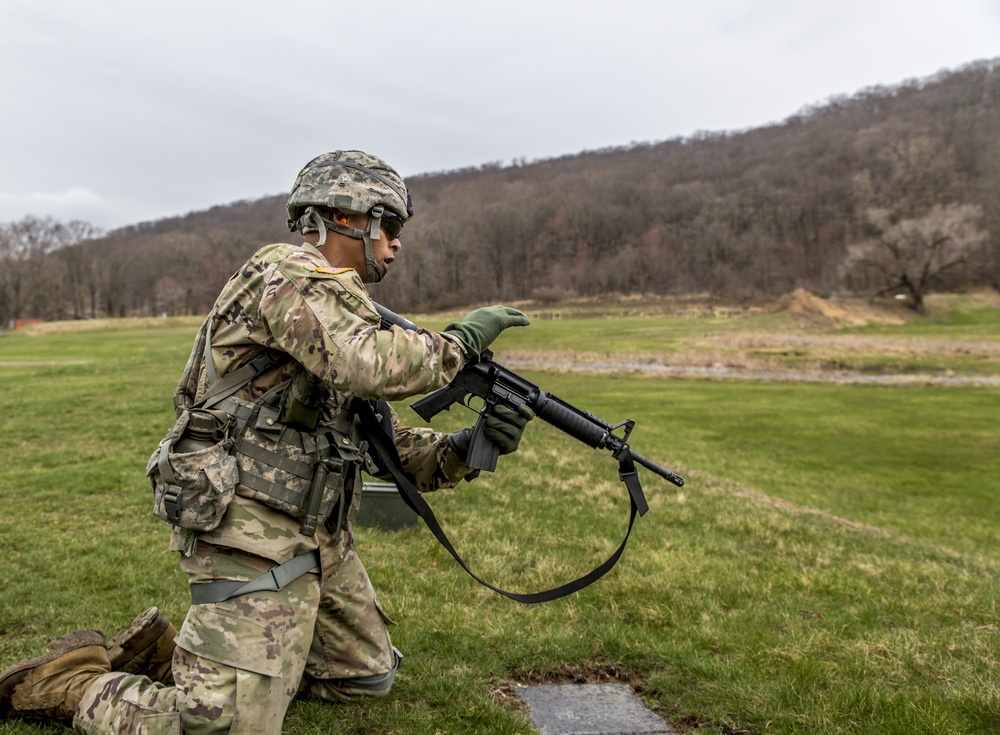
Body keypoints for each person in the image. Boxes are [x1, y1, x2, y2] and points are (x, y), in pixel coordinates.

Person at [0, 150, 533, 734]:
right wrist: (461, 341)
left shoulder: (338, 310)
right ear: (344, 215)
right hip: (248, 524)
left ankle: (196, 662)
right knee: (221, 729)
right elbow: (371, 366)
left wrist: (465, 447)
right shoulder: (286, 273)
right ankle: (75, 683)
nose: (398, 242)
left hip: (312, 535)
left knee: (363, 676)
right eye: (392, 223)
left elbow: (382, 437)